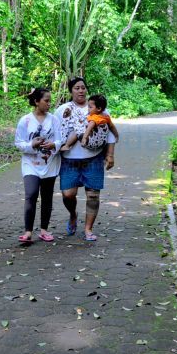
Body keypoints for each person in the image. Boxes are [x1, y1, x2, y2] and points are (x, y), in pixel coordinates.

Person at [54, 77, 116, 242]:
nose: (81, 90)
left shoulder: (99, 109)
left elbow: (109, 133)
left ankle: (88, 229)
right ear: (71, 91)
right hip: (69, 160)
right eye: (77, 88)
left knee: (93, 196)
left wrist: (110, 155)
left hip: (94, 159)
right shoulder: (62, 110)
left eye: (83, 87)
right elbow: (54, 131)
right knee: (68, 194)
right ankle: (73, 215)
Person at [14, 87, 60, 244]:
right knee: (31, 194)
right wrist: (31, 145)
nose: (49, 104)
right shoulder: (25, 120)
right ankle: (28, 232)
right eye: (46, 101)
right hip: (30, 164)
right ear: (36, 101)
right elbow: (19, 142)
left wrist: (53, 144)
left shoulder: (54, 119)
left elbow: (61, 140)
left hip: (49, 163)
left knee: (47, 197)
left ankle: (44, 230)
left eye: (49, 101)